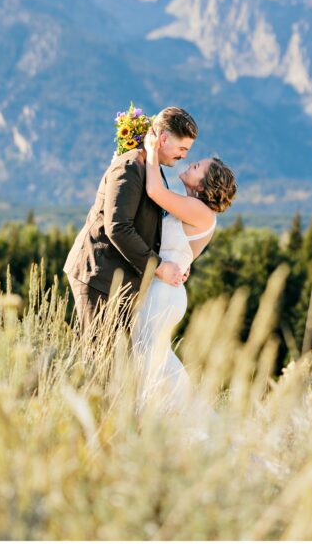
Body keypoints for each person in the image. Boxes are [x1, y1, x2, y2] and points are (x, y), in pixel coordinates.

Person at [131, 126, 236, 417]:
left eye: (198, 166)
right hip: (163, 287)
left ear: (204, 184)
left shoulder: (200, 212)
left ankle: (179, 420)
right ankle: (164, 417)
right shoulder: (192, 208)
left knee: (151, 356)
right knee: (151, 355)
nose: (191, 163)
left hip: (163, 292)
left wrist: (151, 150)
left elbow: (154, 191)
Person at [64, 106, 198, 336]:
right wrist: (160, 266)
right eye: (182, 148)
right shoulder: (129, 166)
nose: (184, 155)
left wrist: (176, 262)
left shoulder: (149, 166)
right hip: (100, 276)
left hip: (120, 281)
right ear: (163, 139)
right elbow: (118, 228)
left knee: (114, 363)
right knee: (99, 360)